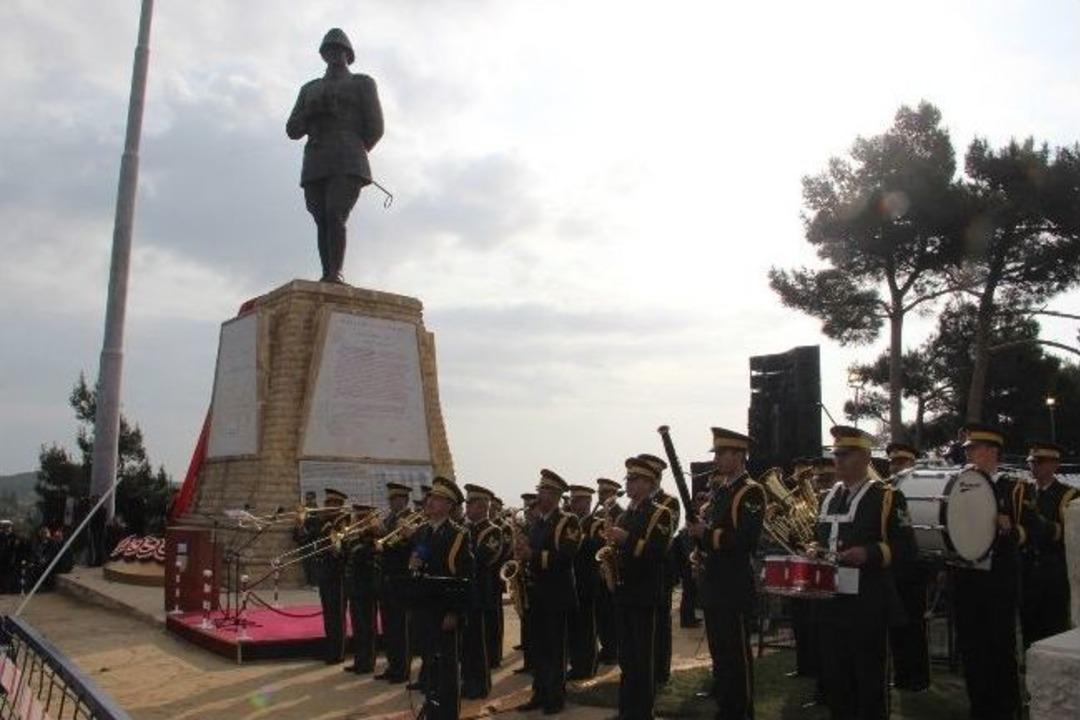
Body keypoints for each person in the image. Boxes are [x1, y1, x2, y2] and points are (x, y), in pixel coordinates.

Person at [813, 426, 914, 720]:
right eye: (836, 455)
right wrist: (814, 549)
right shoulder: (828, 497)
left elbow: (906, 549)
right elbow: (822, 538)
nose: (838, 460)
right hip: (831, 602)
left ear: (865, 458)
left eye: (846, 455)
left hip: (868, 603)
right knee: (837, 678)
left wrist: (869, 553)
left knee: (869, 679)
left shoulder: (887, 497)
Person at [953, 423, 1051, 720]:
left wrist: (1013, 530)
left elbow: (1038, 530)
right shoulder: (959, 485)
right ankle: (980, 709)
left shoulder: (1015, 488)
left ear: (992, 451)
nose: (968, 453)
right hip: (966, 579)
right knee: (971, 649)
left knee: (1000, 647)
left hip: (999, 581)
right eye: (967, 448)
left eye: (974, 448)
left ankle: (1006, 709)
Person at [286, 28, 384, 283]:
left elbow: (375, 127)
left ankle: (335, 272)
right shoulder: (309, 89)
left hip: (348, 157)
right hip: (316, 158)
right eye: (328, 49)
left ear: (348, 53)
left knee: (335, 212)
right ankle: (327, 273)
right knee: (320, 216)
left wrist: (354, 148)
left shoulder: (362, 83)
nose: (333, 54)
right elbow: (292, 130)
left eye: (339, 49)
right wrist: (311, 113)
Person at [688, 427, 766, 720]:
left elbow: (745, 539)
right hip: (714, 582)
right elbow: (711, 535)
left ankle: (741, 711)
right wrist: (700, 545)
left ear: (739, 455)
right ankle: (726, 708)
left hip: (733, 584)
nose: (717, 459)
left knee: (736, 656)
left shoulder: (751, 491)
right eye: (717, 453)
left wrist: (706, 535)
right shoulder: (722, 491)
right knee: (720, 655)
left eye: (722, 453)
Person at [605, 456, 673, 720]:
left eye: (634, 480)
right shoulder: (624, 515)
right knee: (627, 659)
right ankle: (627, 711)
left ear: (648, 483)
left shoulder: (660, 513)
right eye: (629, 479)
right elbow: (618, 550)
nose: (629, 484)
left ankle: (643, 712)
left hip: (645, 594)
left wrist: (627, 539)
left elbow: (658, 552)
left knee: (644, 659)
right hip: (624, 593)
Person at [409, 476, 474, 720]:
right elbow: (419, 565)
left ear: (449, 505)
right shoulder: (422, 532)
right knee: (429, 663)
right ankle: (432, 709)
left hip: (445, 611)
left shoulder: (458, 535)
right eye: (430, 497)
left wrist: (454, 612)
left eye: (437, 499)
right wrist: (413, 566)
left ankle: (447, 714)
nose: (430, 502)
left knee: (447, 667)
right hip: (425, 609)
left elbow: (465, 578)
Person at [517, 470, 581, 715]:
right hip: (537, 594)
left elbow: (566, 557)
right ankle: (539, 693)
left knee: (555, 649)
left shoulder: (568, 521)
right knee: (538, 648)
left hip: (557, 595)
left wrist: (532, 555)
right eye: (539, 490)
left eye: (543, 491)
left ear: (555, 495)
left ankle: (555, 697)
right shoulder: (537, 523)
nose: (538, 496)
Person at [1021, 440, 1078, 648]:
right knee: (1029, 628)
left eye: (1039, 462)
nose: (1033, 466)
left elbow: (1069, 536)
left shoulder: (1068, 496)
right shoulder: (1024, 492)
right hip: (1027, 571)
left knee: (1053, 627)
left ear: (1054, 465)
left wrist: (1041, 525)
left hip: (1053, 572)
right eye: (1031, 462)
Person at [884, 441, 931, 692]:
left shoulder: (924, 488)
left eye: (901, 462)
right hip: (892, 566)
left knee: (913, 624)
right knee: (895, 624)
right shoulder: (886, 490)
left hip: (914, 566)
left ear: (913, 463)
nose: (895, 467)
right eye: (893, 462)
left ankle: (918, 677)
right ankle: (902, 674)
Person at [637, 453, 680, 688]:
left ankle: (661, 671)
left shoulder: (669, 502)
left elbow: (664, 537)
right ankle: (646, 670)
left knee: (661, 624)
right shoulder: (638, 504)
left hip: (661, 569)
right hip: (642, 571)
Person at [297, 488, 350, 664]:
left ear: (338, 505)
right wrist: (301, 524)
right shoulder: (323, 521)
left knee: (337, 614)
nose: (326, 506)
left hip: (338, 573)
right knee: (328, 614)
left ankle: (338, 652)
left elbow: (344, 547)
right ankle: (330, 648)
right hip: (324, 572)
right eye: (326, 503)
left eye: (330, 503)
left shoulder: (343, 520)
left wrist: (336, 545)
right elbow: (306, 539)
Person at [461, 484, 503, 699]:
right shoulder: (466, 528)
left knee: (479, 643)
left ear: (482, 506)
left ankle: (480, 686)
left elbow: (482, 558)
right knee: (467, 644)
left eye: (470, 504)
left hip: (480, 591)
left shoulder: (492, 531)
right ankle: (468, 682)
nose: (466, 508)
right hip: (466, 591)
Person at [375, 482, 415, 683]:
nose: (391, 502)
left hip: (401, 578)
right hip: (386, 578)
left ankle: (402, 669)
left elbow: (407, 549)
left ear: (404, 500)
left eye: (394, 499)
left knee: (400, 628)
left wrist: (384, 537)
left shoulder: (410, 519)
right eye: (390, 499)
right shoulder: (389, 519)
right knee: (389, 626)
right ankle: (392, 665)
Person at [567, 484, 602, 680]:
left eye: (576, 501)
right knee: (575, 627)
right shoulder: (571, 523)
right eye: (572, 500)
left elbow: (599, 547)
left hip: (588, 581)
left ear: (587, 502)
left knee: (587, 628)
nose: (572, 504)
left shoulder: (596, 524)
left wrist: (580, 539)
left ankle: (588, 666)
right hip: (573, 582)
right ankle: (577, 664)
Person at [343, 504, 381, 674]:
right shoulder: (355, 536)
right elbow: (347, 555)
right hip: (354, 587)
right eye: (357, 517)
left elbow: (368, 555)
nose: (357, 521)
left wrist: (366, 534)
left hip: (367, 586)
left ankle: (368, 662)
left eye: (361, 518)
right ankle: (359, 659)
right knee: (358, 626)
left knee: (367, 626)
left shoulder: (373, 536)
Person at [594, 477, 624, 664]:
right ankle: (606, 648)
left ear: (613, 495)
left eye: (604, 493)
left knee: (613, 614)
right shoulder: (599, 514)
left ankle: (614, 650)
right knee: (602, 613)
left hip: (614, 568)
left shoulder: (621, 514)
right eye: (599, 492)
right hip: (602, 569)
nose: (600, 496)